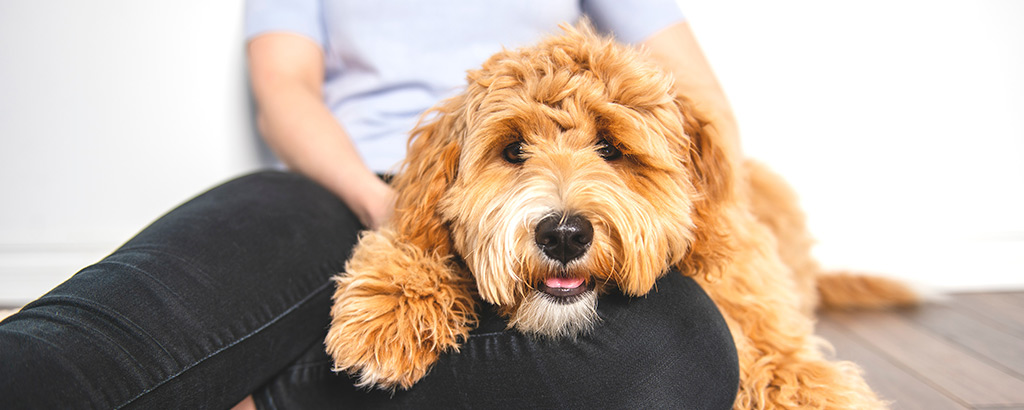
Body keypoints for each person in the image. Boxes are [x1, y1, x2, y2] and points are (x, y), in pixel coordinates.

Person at [0, 1, 740, 409]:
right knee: (89, 336)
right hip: (338, 182)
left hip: (527, 194)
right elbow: (284, 87)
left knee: (681, 350)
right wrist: (380, 201)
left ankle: (269, 392)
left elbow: (700, 104)